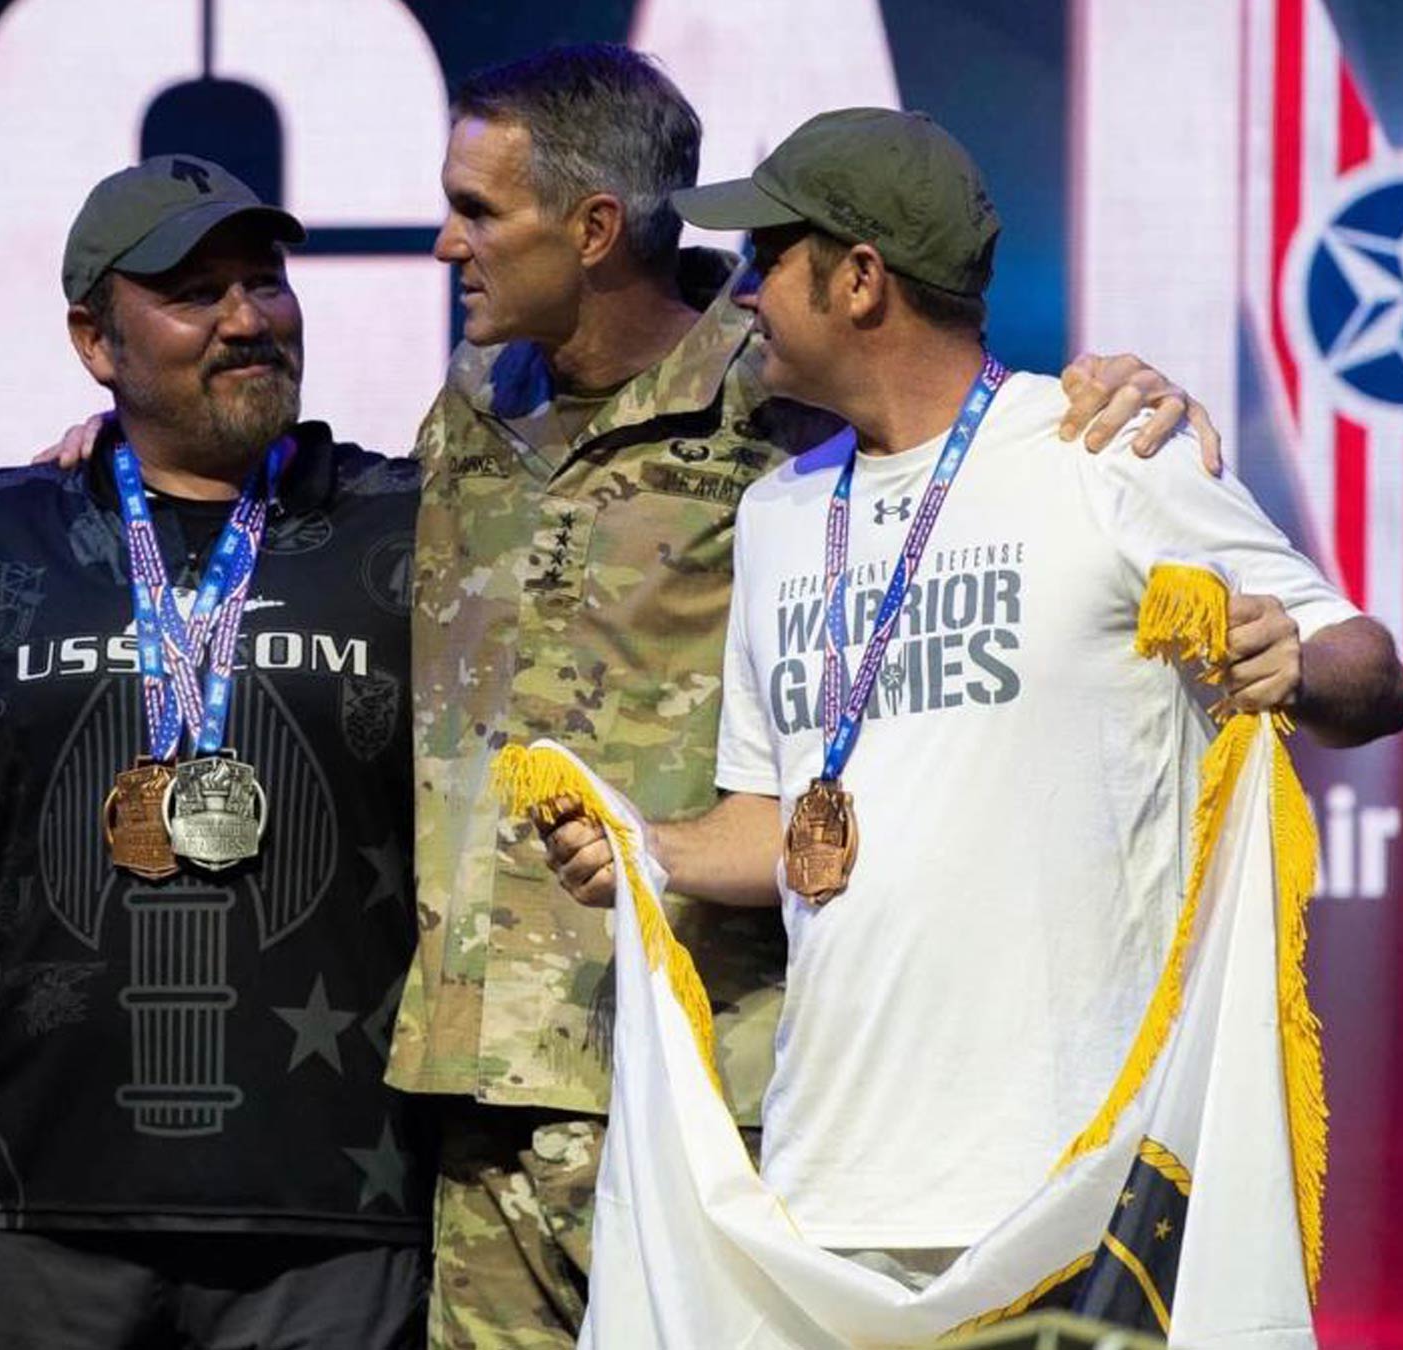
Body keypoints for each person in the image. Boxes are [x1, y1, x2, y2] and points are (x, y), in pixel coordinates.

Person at [381, 45, 1225, 1349]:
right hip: (484, 1068)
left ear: (598, 227)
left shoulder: (778, 387)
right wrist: (106, 467)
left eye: (480, 210)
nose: (446, 243)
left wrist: (1146, 405)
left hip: (716, 1085)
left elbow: (959, 424)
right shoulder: (478, 400)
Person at [540, 106, 1403, 1286]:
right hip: (826, 1188)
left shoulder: (1103, 448)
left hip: (1071, 1185)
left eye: (765, 259)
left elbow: (1372, 671)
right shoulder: (781, 513)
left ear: (859, 280)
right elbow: (781, 815)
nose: (740, 293)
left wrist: (1299, 668)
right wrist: (649, 848)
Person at [0, 155, 431, 1349]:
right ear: (94, 342)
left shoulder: (408, 521)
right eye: (194, 292)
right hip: (45, 1206)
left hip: (336, 1212)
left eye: (263, 281)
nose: (247, 318)